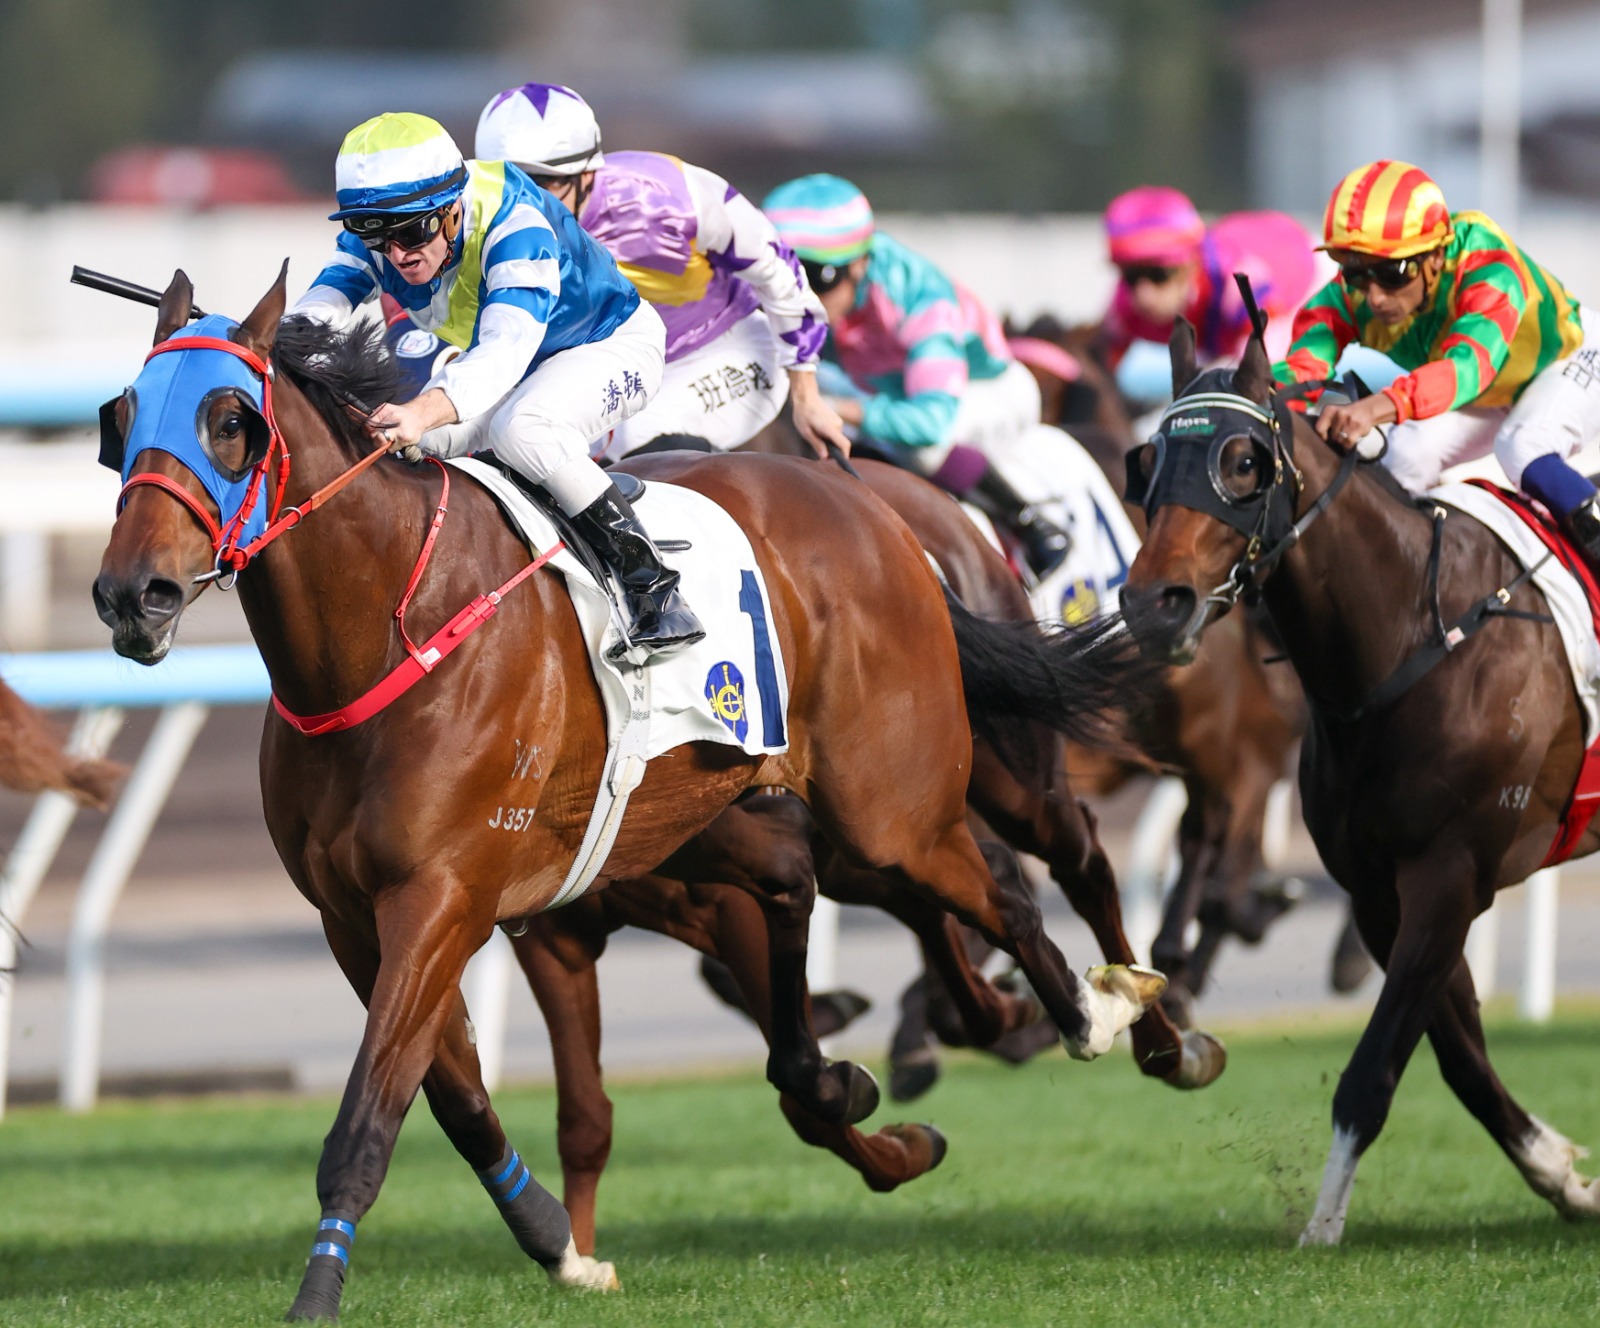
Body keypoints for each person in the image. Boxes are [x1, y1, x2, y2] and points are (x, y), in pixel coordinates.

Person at [289, 112, 703, 659]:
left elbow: (504, 352)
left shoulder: (516, 225)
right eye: (374, 234)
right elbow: (319, 312)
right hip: (520, 366)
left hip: (610, 347)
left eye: (414, 232)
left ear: (454, 206)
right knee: (413, 446)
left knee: (521, 429)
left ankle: (654, 592)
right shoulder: (389, 230)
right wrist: (257, 346)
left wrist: (424, 408)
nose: (398, 255)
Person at [474, 82, 850, 460]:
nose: (525, 204)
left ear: (586, 174)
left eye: (542, 184)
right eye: (509, 184)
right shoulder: (482, 221)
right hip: (623, 364)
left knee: (630, 437)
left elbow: (778, 269)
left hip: (728, 348)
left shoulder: (666, 194)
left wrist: (807, 394)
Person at [1273, 159, 1600, 558]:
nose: (1374, 296)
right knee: (1404, 456)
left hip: (1567, 358)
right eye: (1356, 271)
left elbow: (1468, 367)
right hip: (1489, 390)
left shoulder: (1487, 263)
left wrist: (1375, 407)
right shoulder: (1348, 298)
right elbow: (1299, 373)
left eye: (1393, 273)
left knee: (1523, 447)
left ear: (1436, 257)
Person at [762, 173, 1071, 577]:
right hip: (888, 391)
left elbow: (927, 421)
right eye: (787, 277)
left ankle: (1032, 525)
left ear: (858, 264)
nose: (801, 298)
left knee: (919, 449)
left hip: (987, 393)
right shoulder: (842, 281)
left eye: (818, 278)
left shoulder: (921, 297)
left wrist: (837, 407)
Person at [1097, 185, 1316, 369]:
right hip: (1220, 334)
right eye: (1130, 275)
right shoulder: (1123, 305)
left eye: (1159, 275)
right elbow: (1099, 368)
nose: (1143, 293)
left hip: (1301, 280)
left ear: (1192, 264)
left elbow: (1267, 373)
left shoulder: (1237, 284)